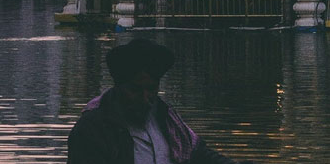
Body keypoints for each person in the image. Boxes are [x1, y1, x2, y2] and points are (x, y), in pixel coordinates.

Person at [68, 38, 248, 164]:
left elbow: (197, 154)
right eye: (136, 90)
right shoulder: (92, 129)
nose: (146, 98)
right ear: (119, 87)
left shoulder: (165, 119)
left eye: (151, 89)